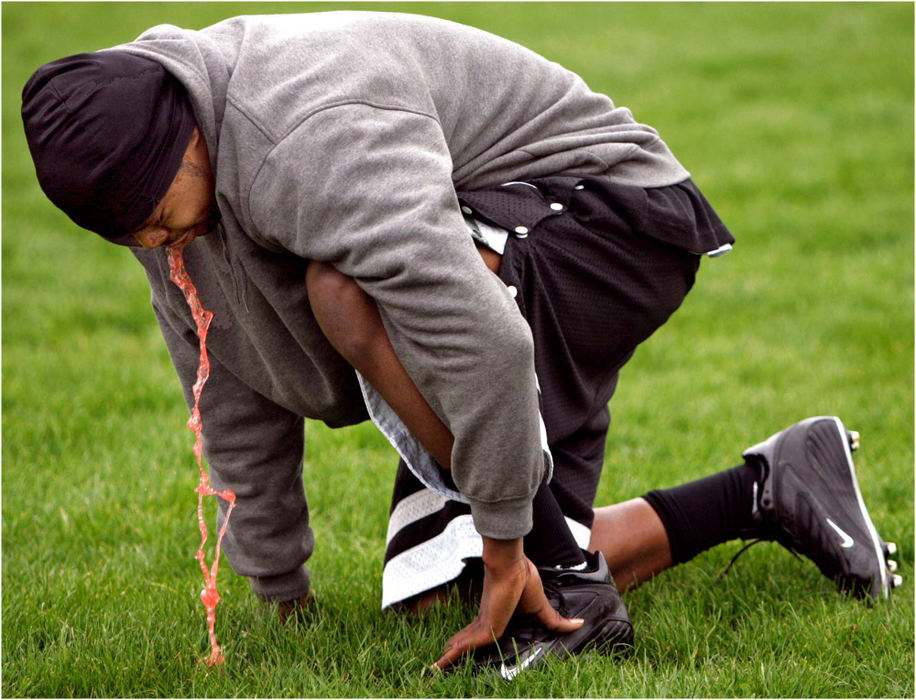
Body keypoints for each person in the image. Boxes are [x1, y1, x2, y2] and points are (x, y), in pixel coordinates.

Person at [21, 11, 899, 677]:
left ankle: (566, 574)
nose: (154, 246)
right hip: (499, 243)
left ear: (187, 141)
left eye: (155, 220)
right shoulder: (165, 199)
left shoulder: (309, 135)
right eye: (129, 237)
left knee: (346, 294)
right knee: (436, 606)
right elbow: (226, 391)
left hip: (609, 213)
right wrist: (279, 594)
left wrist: (513, 541)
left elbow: (478, 335)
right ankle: (769, 488)